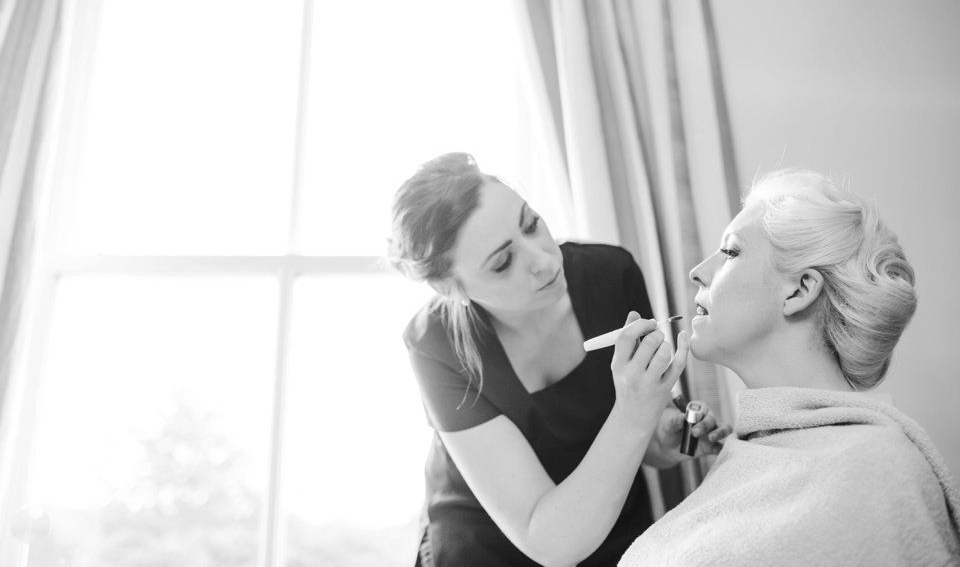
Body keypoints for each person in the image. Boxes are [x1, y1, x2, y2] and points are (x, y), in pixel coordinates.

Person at [388, 153, 730, 566]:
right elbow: (549, 541)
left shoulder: (611, 275)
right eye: (502, 263)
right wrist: (634, 414)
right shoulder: (436, 344)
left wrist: (661, 435)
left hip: (612, 534)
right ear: (450, 288)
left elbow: (643, 442)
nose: (544, 260)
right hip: (484, 550)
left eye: (531, 224)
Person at [619, 169, 960, 566]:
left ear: (799, 291)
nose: (697, 271)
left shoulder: (877, 469)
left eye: (730, 252)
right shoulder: (750, 455)